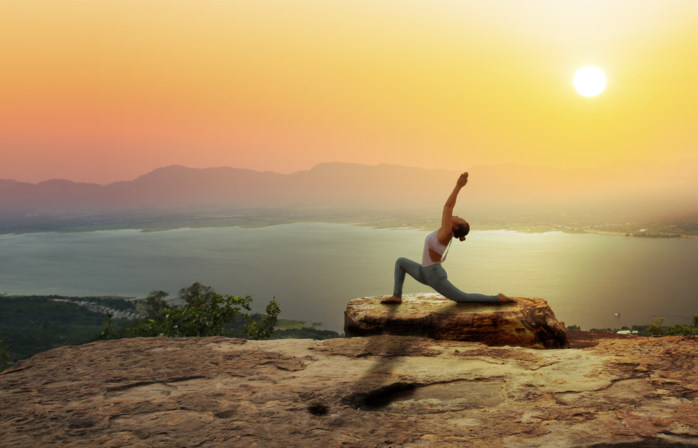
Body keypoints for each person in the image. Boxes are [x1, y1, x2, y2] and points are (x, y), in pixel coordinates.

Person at [381, 171, 515, 305]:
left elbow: (448, 207)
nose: (456, 215)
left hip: (433, 275)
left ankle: (497, 298)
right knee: (401, 262)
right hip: (423, 272)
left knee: (462, 298)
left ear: (455, 226)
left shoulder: (446, 232)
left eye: (459, 218)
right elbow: (451, 217)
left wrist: (458, 186)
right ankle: (397, 296)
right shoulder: (447, 231)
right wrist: (462, 235)